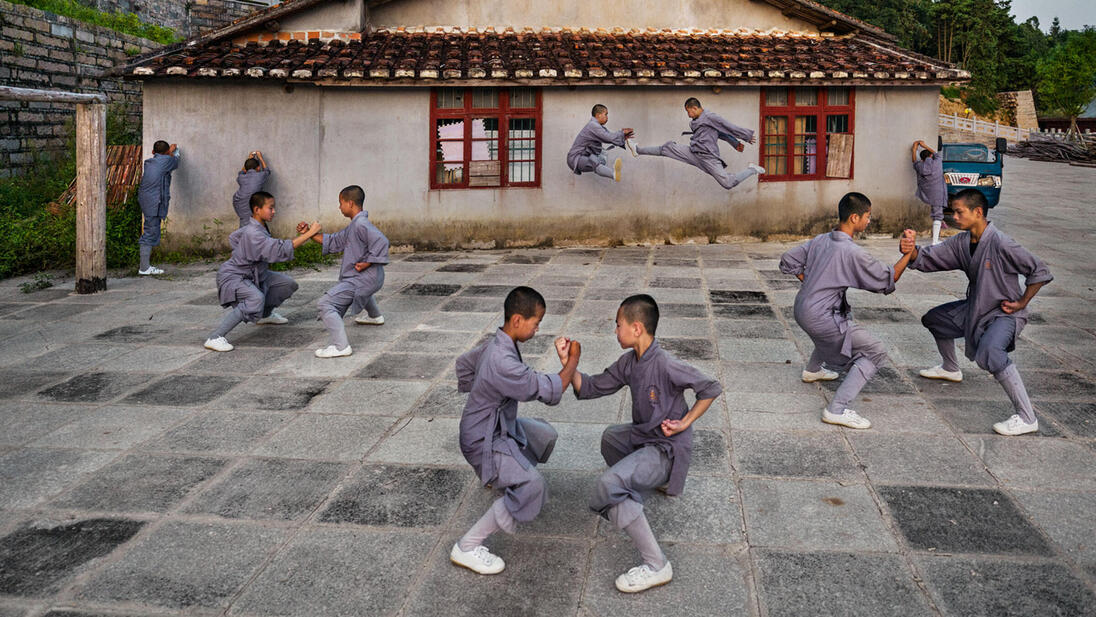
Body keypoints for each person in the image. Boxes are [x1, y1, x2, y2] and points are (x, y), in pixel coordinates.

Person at [568, 294, 721, 593]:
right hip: (644, 438)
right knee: (610, 437)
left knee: (608, 484)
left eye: (618, 325)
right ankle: (633, 489)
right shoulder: (630, 362)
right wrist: (569, 364)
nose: (615, 331)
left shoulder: (666, 364)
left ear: (636, 328)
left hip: (666, 449)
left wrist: (685, 422)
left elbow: (710, 388)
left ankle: (656, 565)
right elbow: (590, 387)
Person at [451, 286, 581, 575]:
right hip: (483, 440)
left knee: (543, 436)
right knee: (532, 486)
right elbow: (550, 388)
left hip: (489, 426)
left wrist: (483, 396)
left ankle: (502, 476)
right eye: (536, 323)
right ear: (518, 321)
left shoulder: (496, 343)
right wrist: (573, 359)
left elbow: (464, 364)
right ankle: (467, 546)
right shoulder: (502, 361)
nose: (537, 330)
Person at [903, 188, 1053, 436]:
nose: (954, 217)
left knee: (992, 352)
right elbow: (930, 257)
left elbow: (1039, 270)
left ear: (978, 212)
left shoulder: (1002, 243)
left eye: (959, 212)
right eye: (953, 212)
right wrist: (911, 249)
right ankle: (950, 368)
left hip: (1004, 314)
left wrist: (1022, 302)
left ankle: (1027, 417)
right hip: (976, 308)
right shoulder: (962, 241)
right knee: (936, 320)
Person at [779, 192, 915, 429]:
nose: (869, 221)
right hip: (819, 316)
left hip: (802, 307)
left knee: (843, 318)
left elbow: (787, 260)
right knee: (875, 351)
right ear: (854, 218)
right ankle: (837, 409)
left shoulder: (821, 239)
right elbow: (887, 279)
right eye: (867, 216)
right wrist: (909, 254)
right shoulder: (852, 252)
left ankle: (813, 371)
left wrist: (812, 283)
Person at [204, 192, 320, 352]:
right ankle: (215, 337)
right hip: (235, 276)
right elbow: (278, 248)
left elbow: (234, 238)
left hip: (256, 273)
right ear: (257, 209)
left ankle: (265, 315)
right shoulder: (253, 232)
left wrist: (248, 253)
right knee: (255, 298)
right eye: (270, 208)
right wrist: (308, 234)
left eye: (274, 208)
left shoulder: (258, 226)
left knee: (287, 284)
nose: (274, 211)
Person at [307, 185, 389, 358]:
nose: (339, 207)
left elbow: (382, 241)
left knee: (325, 304)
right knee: (360, 291)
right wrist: (309, 234)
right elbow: (335, 240)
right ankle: (375, 316)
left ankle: (340, 346)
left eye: (341, 203)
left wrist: (367, 262)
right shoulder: (356, 224)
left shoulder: (360, 224)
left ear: (350, 203)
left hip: (364, 279)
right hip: (373, 279)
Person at [633, 98, 764, 190]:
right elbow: (718, 133)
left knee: (728, 183)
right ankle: (638, 150)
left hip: (708, 158)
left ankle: (751, 169)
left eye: (688, 111)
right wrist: (735, 144)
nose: (688, 115)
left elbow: (726, 126)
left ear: (694, 108)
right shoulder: (698, 120)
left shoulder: (710, 117)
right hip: (694, 152)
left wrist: (745, 136)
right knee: (668, 148)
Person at [136, 140, 180, 275]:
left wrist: (169, 152)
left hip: (146, 199)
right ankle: (144, 268)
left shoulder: (149, 162)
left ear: (153, 152)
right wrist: (173, 151)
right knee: (150, 232)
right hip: (154, 201)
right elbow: (176, 160)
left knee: (150, 230)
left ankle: (145, 266)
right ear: (166, 152)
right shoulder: (167, 161)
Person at [566, 104, 635, 182]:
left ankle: (614, 174)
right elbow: (609, 137)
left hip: (582, 156)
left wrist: (622, 136)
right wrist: (621, 133)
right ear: (598, 115)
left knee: (602, 159)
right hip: (576, 158)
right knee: (595, 161)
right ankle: (614, 174)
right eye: (606, 114)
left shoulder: (597, 127)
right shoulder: (593, 126)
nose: (607, 117)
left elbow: (610, 136)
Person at [912, 140, 947, 245]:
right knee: (938, 216)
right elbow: (936, 154)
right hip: (938, 194)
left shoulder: (920, 166)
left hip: (927, 193)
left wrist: (914, 149)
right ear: (931, 156)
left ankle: (935, 240)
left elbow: (914, 160)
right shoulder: (937, 162)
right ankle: (935, 241)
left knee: (936, 214)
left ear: (922, 159)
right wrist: (924, 145)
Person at [233, 151, 271, 229]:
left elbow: (241, 172)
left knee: (245, 224)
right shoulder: (260, 176)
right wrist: (260, 158)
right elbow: (267, 170)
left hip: (239, 202)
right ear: (258, 168)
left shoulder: (241, 177)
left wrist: (249, 159)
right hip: (251, 203)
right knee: (254, 224)